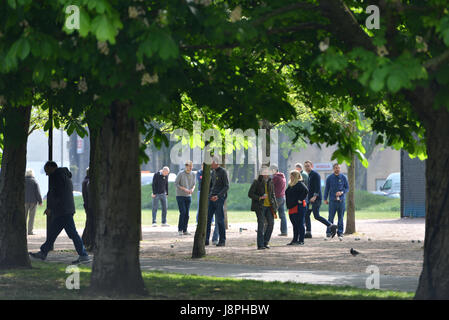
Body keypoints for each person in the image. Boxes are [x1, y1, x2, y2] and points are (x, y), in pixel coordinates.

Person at [29, 161, 89, 264]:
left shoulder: (57, 176)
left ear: (51, 167)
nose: (47, 174)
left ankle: (83, 255)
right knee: (53, 232)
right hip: (65, 209)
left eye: (47, 170)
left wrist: (50, 208)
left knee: (72, 233)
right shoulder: (64, 176)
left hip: (62, 210)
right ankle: (43, 252)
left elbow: (57, 194)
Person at [303, 160, 337, 239]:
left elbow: (318, 187)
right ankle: (308, 233)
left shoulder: (315, 175)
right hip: (309, 199)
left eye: (308, 166)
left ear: (311, 166)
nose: (307, 167)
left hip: (316, 199)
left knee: (316, 216)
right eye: (305, 166)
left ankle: (331, 226)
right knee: (306, 215)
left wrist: (314, 197)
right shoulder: (306, 175)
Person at [248, 166, 278, 250]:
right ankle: (260, 245)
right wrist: (259, 198)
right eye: (264, 172)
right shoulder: (256, 182)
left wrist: (275, 206)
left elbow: (273, 194)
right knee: (261, 225)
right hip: (260, 206)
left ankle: (265, 242)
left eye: (267, 172)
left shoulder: (270, 181)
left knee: (271, 224)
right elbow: (250, 194)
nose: (266, 174)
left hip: (269, 206)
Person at [205, 156, 229, 247]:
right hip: (211, 199)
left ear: (215, 162)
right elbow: (211, 185)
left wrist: (218, 196)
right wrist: (209, 196)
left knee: (220, 220)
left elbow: (226, 186)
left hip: (219, 199)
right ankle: (206, 239)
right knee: (208, 220)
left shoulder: (223, 172)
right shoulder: (212, 172)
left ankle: (222, 240)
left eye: (211, 162)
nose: (210, 164)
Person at [324, 163, 349, 240]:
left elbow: (347, 188)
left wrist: (341, 192)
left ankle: (340, 232)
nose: (337, 169)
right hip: (332, 201)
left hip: (341, 201)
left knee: (340, 217)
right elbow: (326, 189)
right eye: (335, 168)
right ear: (333, 169)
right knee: (330, 217)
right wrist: (325, 199)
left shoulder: (343, 177)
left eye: (338, 168)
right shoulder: (329, 178)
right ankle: (329, 232)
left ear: (340, 169)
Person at [196, 164, 219, 244]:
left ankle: (215, 238)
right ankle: (206, 239)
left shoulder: (218, 173)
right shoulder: (203, 173)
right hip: (210, 197)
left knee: (218, 219)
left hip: (217, 198)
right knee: (208, 218)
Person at [285, 170, 308, 245]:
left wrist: (300, 199)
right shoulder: (291, 184)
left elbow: (306, 190)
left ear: (295, 176)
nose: (290, 177)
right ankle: (295, 240)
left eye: (292, 175)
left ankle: (301, 240)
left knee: (300, 224)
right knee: (294, 224)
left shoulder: (299, 183)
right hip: (291, 207)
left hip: (298, 207)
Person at [175, 160, 196, 235]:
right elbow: (176, 183)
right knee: (183, 212)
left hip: (188, 196)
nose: (190, 168)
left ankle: (185, 230)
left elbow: (194, 184)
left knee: (187, 214)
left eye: (191, 166)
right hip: (180, 195)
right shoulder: (181, 174)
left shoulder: (193, 174)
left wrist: (192, 190)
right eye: (189, 166)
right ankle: (180, 230)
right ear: (186, 166)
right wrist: (184, 189)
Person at [270, 164, 287, 237]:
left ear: (274, 170)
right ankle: (284, 231)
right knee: (282, 215)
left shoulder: (276, 177)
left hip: (277, 198)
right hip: (282, 197)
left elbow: (270, 186)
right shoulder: (282, 177)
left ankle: (264, 229)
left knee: (270, 213)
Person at [24, 169, 43, 235]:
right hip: (33, 201)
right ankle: (30, 231)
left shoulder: (23, 181)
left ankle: (22, 230)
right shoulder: (34, 181)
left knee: (24, 216)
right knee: (31, 217)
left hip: (24, 201)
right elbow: (38, 192)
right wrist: (40, 201)